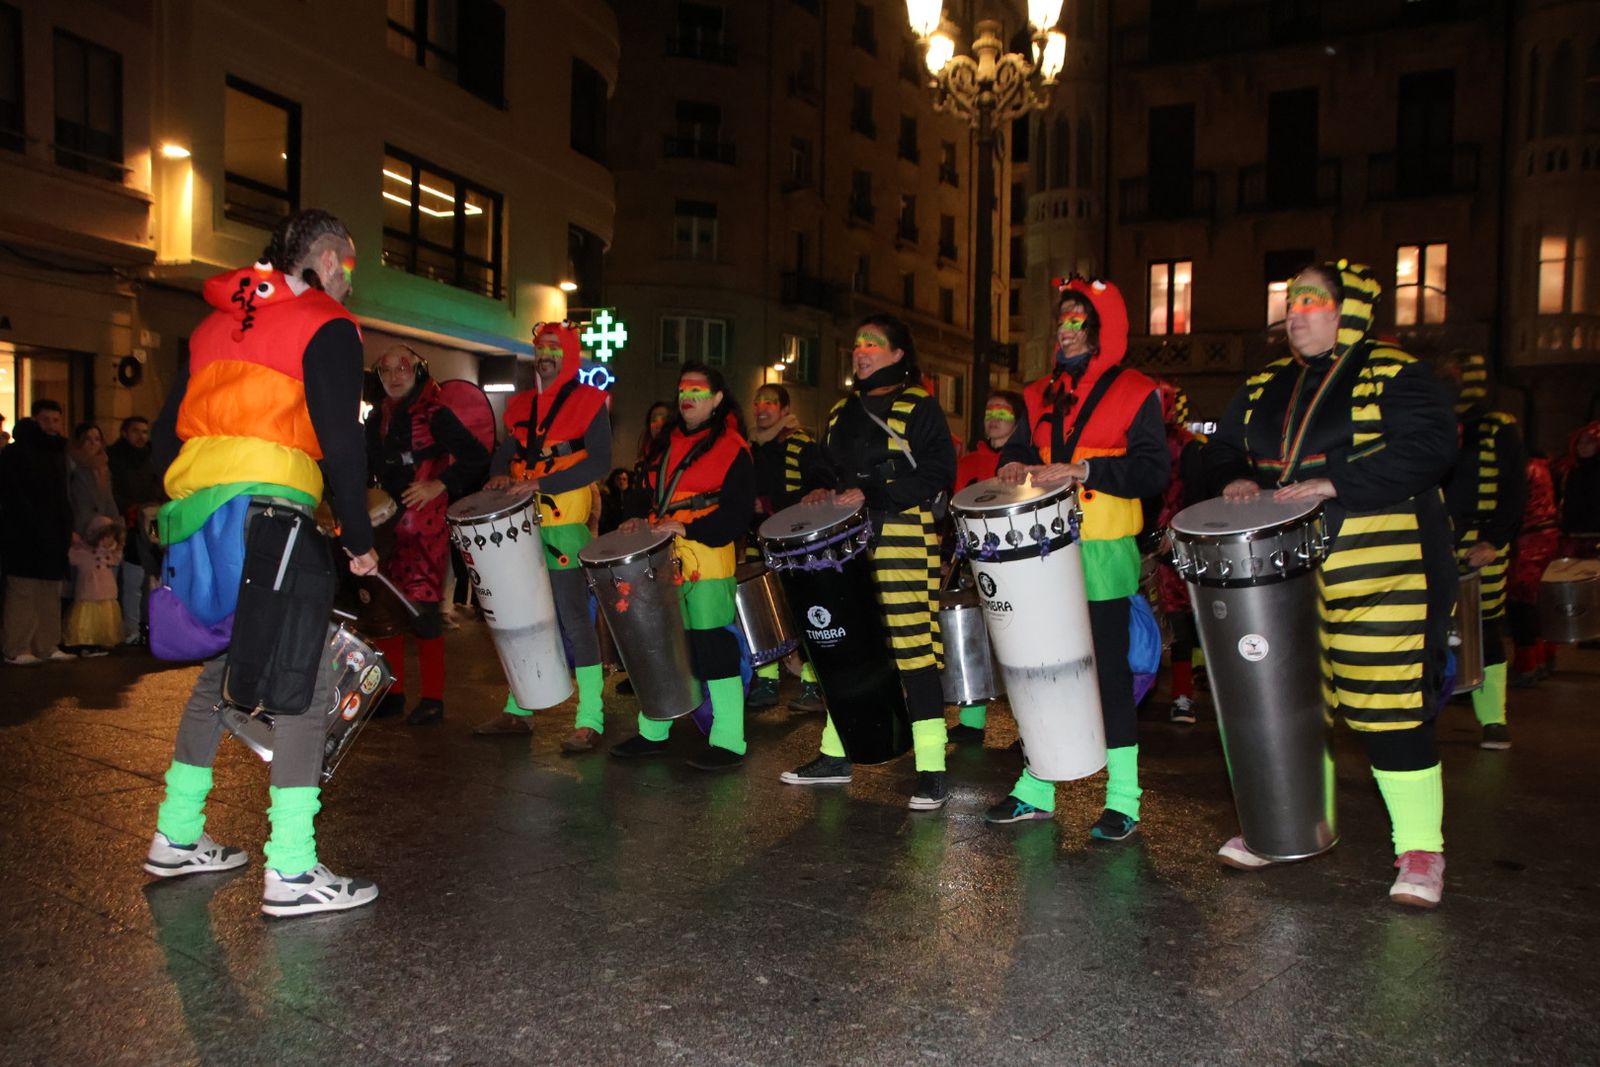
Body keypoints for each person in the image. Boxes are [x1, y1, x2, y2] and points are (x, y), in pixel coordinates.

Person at [142, 209, 381, 917]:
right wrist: (361, 535)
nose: (348, 282)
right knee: (303, 679)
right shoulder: (325, 322)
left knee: (220, 666)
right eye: (351, 267)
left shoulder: (213, 324)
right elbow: (342, 439)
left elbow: (164, 433)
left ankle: (177, 831)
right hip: (272, 516)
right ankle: (293, 867)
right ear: (332, 258)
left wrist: (174, 509)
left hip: (201, 516)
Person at [1204, 260, 1458, 908]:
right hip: (1283, 576)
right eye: (1291, 302)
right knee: (1285, 708)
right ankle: (1280, 828)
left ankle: (1420, 848)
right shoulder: (1264, 383)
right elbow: (1217, 445)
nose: (1296, 312)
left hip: (1382, 563)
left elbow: (1432, 445)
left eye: (1312, 301)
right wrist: (1233, 474)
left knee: (1388, 704)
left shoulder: (1395, 371)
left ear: (1348, 310)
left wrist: (1336, 480)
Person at [980, 279, 1168, 840]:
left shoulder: (1136, 391)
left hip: (1104, 549)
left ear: (1101, 328)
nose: (1065, 331)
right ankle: (1037, 787)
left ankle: (1124, 798)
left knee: (1107, 673)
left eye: (1077, 321)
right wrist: (1013, 465)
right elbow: (1017, 449)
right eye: (1060, 321)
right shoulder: (1037, 393)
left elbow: (1153, 471)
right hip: (1039, 552)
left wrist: (1085, 471)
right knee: (1038, 667)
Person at [780, 314, 957, 809]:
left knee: (912, 650)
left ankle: (931, 768)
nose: (861, 351)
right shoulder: (840, 411)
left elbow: (941, 472)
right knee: (850, 651)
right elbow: (827, 467)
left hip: (902, 538)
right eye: (857, 344)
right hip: (847, 543)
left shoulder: (919, 405)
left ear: (899, 354)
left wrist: (877, 490)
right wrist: (819, 486)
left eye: (873, 344)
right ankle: (837, 757)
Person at [473, 322, 612, 751]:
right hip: (520, 525)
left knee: (573, 620)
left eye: (554, 347)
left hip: (563, 524)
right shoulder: (520, 407)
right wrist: (498, 477)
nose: (544, 353)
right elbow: (504, 454)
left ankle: (591, 718)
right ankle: (519, 710)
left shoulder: (590, 402)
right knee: (523, 617)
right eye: (540, 347)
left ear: (568, 355)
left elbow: (599, 464)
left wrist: (542, 485)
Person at [609, 363, 755, 769]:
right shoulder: (662, 444)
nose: (687, 396)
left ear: (717, 398)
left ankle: (729, 741)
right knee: (660, 647)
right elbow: (641, 492)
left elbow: (738, 515)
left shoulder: (734, 448)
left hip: (707, 559)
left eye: (697, 390)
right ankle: (653, 732)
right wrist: (636, 516)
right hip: (658, 557)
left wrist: (690, 526)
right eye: (682, 389)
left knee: (714, 648)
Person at [364, 344, 490, 725]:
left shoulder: (436, 413)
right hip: (385, 526)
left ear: (416, 370)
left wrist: (439, 483)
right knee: (384, 609)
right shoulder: (376, 420)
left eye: (402, 367)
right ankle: (393, 692)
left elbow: (476, 456)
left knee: (422, 610)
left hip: (424, 526)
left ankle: (433, 698)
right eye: (386, 370)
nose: (394, 375)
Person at [1439, 352, 1526, 750]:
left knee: (1485, 626)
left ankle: (1494, 719)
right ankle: (1426, 710)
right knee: (1428, 627)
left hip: (1481, 545)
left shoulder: (1497, 427)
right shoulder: (1432, 425)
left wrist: (1494, 538)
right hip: (1436, 541)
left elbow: (1512, 490)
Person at [946, 389, 1027, 745]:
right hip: (972, 562)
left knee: (1019, 646)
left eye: (1004, 413)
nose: (994, 418)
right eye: (989, 411)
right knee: (973, 637)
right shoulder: (966, 464)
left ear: (1019, 421)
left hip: (1017, 565)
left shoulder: (1027, 464)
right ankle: (972, 720)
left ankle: (1028, 729)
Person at [746, 382, 826, 713]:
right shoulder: (748, 447)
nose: (762, 408)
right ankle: (767, 681)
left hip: (794, 544)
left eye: (770, 402)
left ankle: (812, 685)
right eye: (758, 401)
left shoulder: (801, 444)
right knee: (759, 614)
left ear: (784, 409)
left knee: (800, 612)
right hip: (756, 544)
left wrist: (773, 504)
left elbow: (820, 488)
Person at [1, 399, 76, 665]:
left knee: (49, 591)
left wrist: (65, 527)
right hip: (24, 533)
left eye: (56, 420)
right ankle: (17, 646)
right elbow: (13, 496)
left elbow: (62, 495)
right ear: (35, 420)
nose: (52, 426)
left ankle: (47, 643)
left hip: (53, 532)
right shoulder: (16, 453)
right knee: (23, 591)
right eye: (46, 420)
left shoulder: (57, 452)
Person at [1151, 381, 1209, 725]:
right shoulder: (1134, 443)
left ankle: (1183, 694)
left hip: (1177, 547)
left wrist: (1176, 531)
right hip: (1136, 540)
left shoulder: (1186, 446)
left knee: (1180, 620)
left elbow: (1198, 496)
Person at [107, 415, 162, 644]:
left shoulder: (152, 459)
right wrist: (129, 509)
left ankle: (146, 624)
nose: (141, 437)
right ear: (124, 433)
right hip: (127, 522)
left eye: (144, 432)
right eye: (136, 431)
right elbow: (112, 491)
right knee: (130, 577)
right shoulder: (114, 458)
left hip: (151, 520)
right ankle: (130, 628)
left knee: (151, 575)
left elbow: (159, 487)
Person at [1508, 453, 1558, 686]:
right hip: (1546, 536)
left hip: (1528, 539)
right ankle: (1543, 658)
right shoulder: (1544, 467)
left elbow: (1513, 504)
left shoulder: (1522, 467)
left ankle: (1526, 664)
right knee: (1537, 602)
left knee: (1521, 603)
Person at [64, 515, 124, 655]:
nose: (109, 540)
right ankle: (86, 644)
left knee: (104, 618)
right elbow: (71, 555)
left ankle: (100, 642)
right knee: (87, 619)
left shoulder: (110, 553)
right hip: (88, 593)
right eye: (106, 537)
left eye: (111, 537)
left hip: (105, 592)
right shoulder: (83, 552)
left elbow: (117, 557)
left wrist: (116, 546)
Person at [1554, 422, 1600, 556]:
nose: (1583, 446)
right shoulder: (1571, 471)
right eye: (1580, 442)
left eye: (1589, 442)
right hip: (1573, 536)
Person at [68, 421, 119, 538]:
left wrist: (115, 525)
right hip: (80, 527)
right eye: (87, 439)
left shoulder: (102, 467)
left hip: (103, 528)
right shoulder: (72, 466)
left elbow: (108, 499)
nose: (93, 444)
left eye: (97, 439)